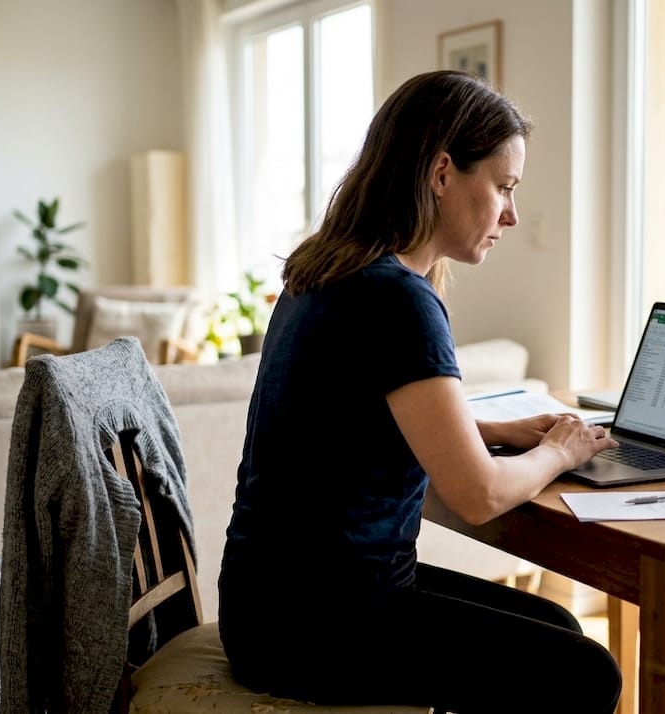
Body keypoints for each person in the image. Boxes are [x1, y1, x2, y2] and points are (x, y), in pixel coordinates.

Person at [218, 70, 622, 714]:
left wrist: (491, 432)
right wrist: (562, 452)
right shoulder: (397, 298)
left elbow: (352, 418)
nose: (512, 215)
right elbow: (478, 494)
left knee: (561, 631)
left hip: (270, 603)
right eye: (503, 187)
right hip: (322, 624)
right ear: (441, 174)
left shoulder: (326, 266)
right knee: (586, 674)